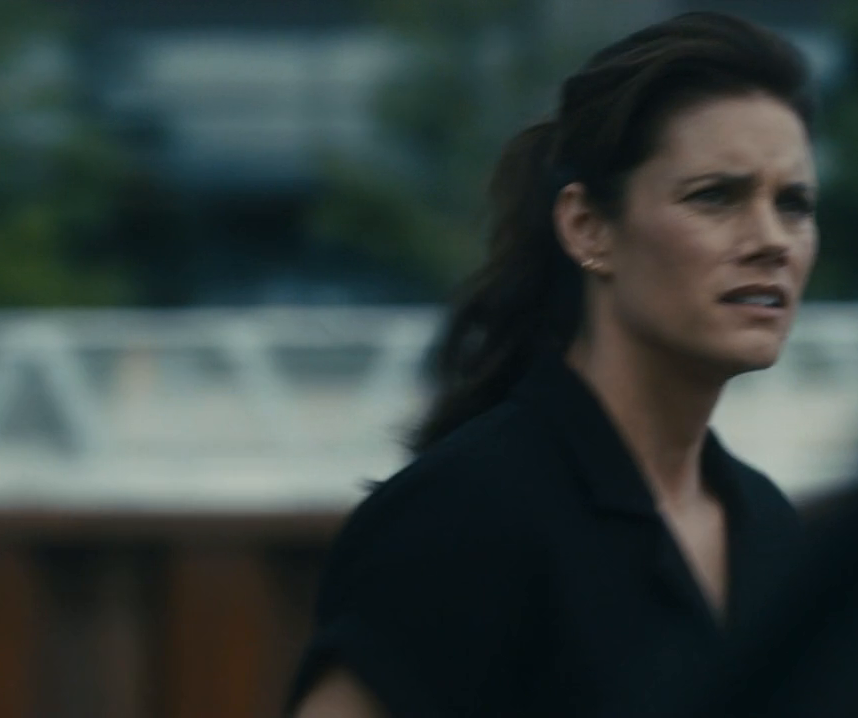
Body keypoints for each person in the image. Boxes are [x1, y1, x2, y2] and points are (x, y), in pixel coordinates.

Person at [287, 11, 820, 717]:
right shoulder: (464, 516)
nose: (771, 239)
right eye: (715, 196)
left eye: (794, 204)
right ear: (587, 227)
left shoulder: (768, 528)